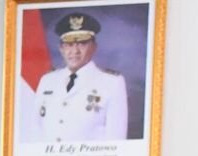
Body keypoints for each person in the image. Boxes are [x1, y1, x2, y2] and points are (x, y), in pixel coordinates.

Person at [31, 12, 128, 142]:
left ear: (94, 47)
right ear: (61, 48)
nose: (75, 51)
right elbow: (35, 131)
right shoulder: (47, 81)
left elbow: (116, 139)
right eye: (69, 45)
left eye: (82, 44)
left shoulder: (112, 83)